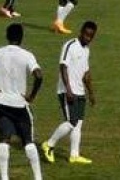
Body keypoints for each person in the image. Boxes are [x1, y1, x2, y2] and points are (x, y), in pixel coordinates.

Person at [0, 23, 44, 180]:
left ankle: (4, 177)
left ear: (7, 36)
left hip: (2, 104)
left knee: (4, 141)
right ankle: (38, 177)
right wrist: (32, 96)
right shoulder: (27, 55)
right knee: (28, 142)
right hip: (20, 105)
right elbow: (39, 75)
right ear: (22, 38)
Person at [42, 21, 98, 165]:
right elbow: (63, 66)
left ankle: (74, 155)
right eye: (86, 34)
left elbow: (86, 74)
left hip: (80, 91)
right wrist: (68, 89)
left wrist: (91, 93)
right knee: (71, 122)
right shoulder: (70, 45)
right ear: (81, 32)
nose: (87, 38)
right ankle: (49, 144)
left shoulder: (86, 50)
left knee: (78, 123)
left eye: (91, 36)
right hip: (67, 91)